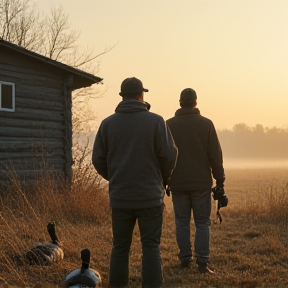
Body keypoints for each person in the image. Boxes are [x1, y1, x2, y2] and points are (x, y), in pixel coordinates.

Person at [92, 77, 178, 288]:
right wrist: (164, 179)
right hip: (150, 197)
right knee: (151, 247)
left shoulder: (107, 124)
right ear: (142, 96)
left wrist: (115, 177)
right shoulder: (156, 122)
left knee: (120, 248)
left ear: (122, 96)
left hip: (121, 198)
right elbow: (169, 155)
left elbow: (98, 160)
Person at [166, 88, 225, 274]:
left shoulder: (168, 125)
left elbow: (164, 155)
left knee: (181, 222)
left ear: (180, 102)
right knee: (202, 222)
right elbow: (215, 155)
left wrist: (165, 180)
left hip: (177, 183)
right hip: (201, 184)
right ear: (195, 102)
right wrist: (220, 180)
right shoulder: (206, 125)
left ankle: (184, 259)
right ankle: (202, 262)